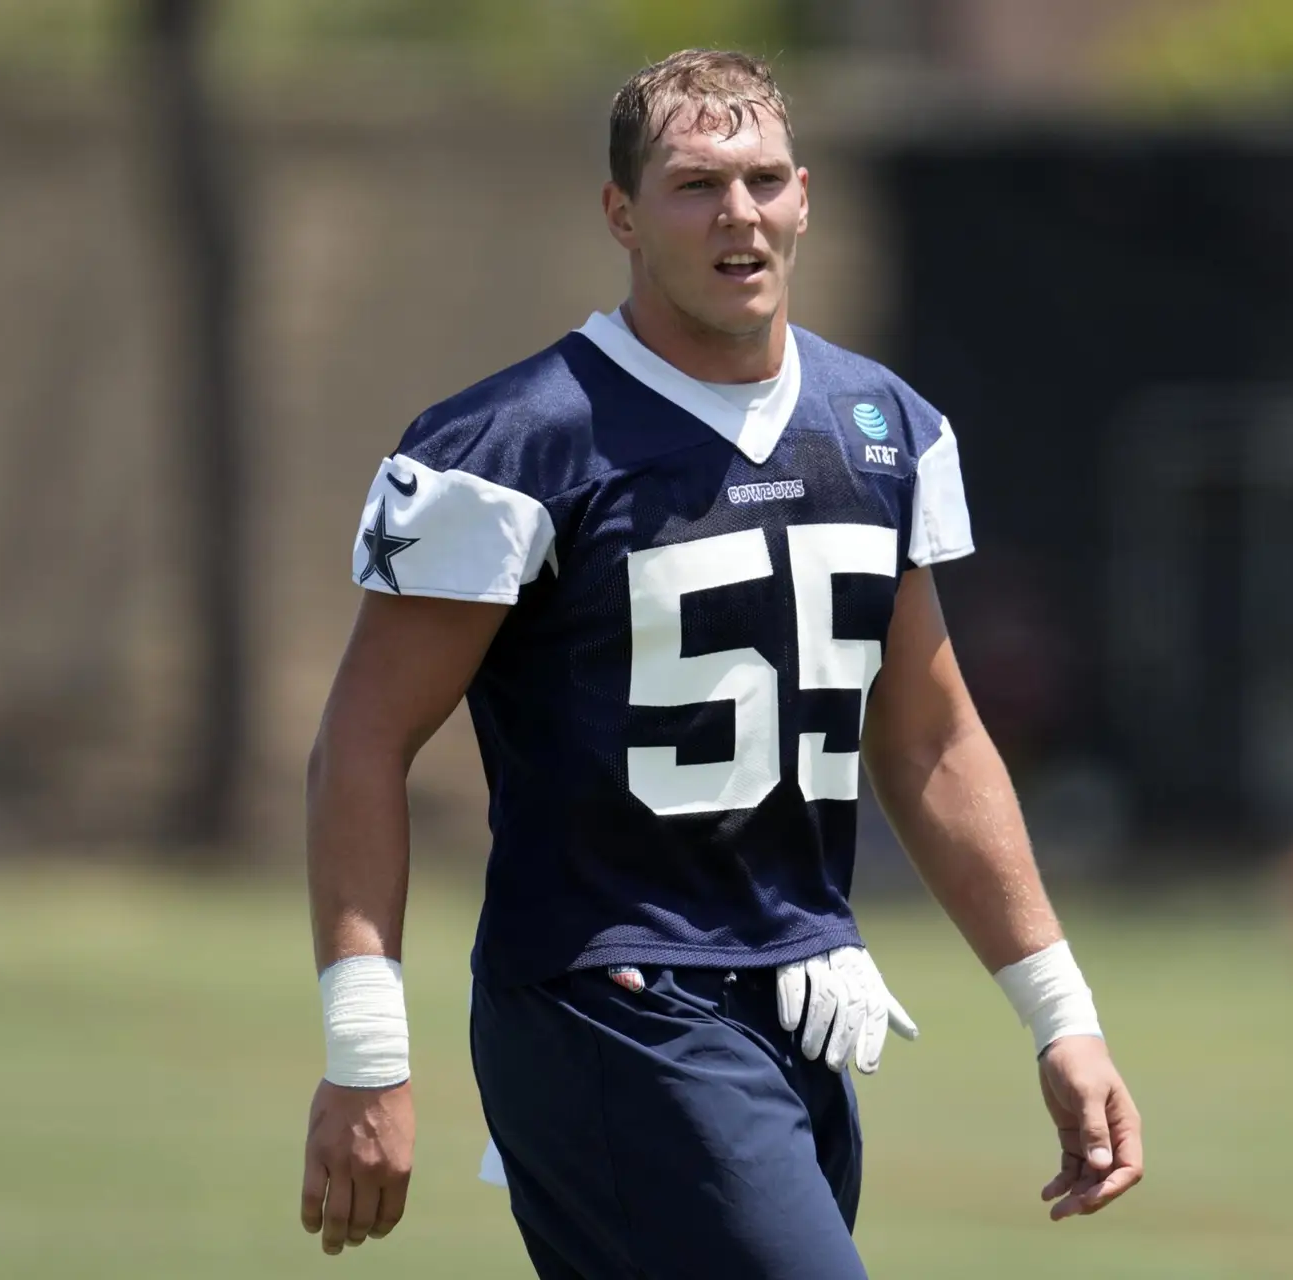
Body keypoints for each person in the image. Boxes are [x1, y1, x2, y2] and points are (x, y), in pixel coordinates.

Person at [300, 48, 1143, 1279]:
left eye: (760, 180)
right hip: (611, 999)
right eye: (695, 184)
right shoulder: (516, 443)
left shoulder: (884, 429)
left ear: (805, 194)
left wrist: (1061, 1019)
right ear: (621, 213)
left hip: (795, 1004)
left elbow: (931, 738)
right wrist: (367, 1048)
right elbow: (362, 740)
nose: (737, 215)